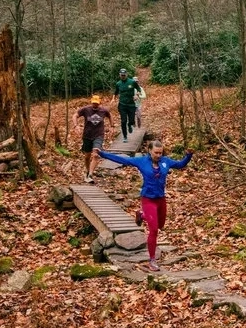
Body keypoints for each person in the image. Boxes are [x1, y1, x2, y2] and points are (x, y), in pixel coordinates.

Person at [95, 140, 192, 271]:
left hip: (160, 199)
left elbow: (180, 165)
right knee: (153, 230)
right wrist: (103, 154)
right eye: (156, 153)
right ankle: (152, 260)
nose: (158, 155)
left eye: (160, 153)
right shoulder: (142, 161)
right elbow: (122, 160)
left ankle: (141, 215)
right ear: (150, 151)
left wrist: (188, 156)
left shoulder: (166, 161)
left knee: (161, 225)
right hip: (148, 199)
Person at [73, 94, 111, 183]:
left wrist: (112, 126)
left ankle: (90, 174)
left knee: (95, 154)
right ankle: (87, 170)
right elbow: (75, 115)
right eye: (94, 103)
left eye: (97, 103)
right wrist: (76, 126)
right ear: (91, 102)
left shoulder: (103, 110)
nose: (95, 105)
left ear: (99, 103)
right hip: (87, 135)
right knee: (87, 156)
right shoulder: (86, 109)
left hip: (99, 135)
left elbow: (110, 116)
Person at [113, 68, 142, 141]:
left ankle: (130, 125)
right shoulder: (118, 83)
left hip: (131, 105)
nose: (123, 76)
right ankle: (125, 136)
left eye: (124, 75)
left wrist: (137, 95)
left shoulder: (132, 82)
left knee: (131, 121)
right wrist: (113, 99)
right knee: (123, 121)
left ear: (126, 74)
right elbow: (115, 92)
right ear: (119, 75)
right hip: (122, 105)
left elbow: (139, 89)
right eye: (122, 75)